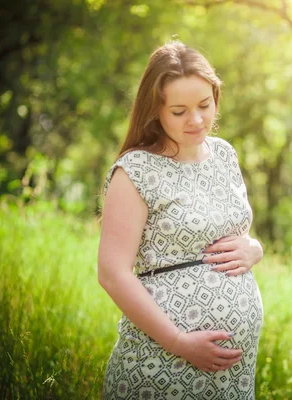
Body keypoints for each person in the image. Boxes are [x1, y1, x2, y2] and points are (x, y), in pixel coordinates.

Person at [97, 40, 264, 400]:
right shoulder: (136, 171)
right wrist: (178, 342)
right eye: (179, 111)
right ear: (155, 111)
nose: (197, 120)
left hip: (234, 375)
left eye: (205, 105)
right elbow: (112, 273)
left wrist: (255, 249)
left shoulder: (224, 154)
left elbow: (235, 234)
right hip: (163, 363)